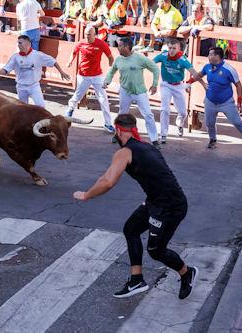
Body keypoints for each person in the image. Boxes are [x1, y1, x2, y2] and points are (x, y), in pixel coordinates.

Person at [73, 113, 198, 300]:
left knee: (156, 251)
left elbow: (107, 181)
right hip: (157, 201)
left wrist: (86, 195)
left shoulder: (124, 152)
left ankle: (186, 273)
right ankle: (136, 280)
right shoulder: (146, 146)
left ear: (117, 130)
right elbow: (158, 177)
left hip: (170, 207)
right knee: (131, 229)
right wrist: (151, 199)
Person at [192, 47, 242, 151]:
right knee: (209, 123)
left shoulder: (229, 69)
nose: (208, 56)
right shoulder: (207, 67)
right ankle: (212, 140)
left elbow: (238, 85)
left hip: (226, 103)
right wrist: (193, 83)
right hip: (210, 101)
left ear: (217, 56)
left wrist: (239, 102)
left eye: (210, 54)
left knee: (237, 123)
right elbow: (198, 76)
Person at [103, 37, 161, 148]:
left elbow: (155, 69)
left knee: (148, 115)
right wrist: (107, 81)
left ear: (126, 47)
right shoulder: (118, 59)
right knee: (121, 114)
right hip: (125, 91)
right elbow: (111, 72)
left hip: (139, 92)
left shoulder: (140, 58)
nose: (117, 48)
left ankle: (154, 140)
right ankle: (117, 134)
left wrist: (154, 85)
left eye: (120, 46)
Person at [0, 35, 70, 107]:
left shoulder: (37, 55)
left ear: (28, 44)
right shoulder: (15, 57)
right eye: (18, 43)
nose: (18, 45)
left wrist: (61, 72)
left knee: (41, 106)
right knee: (23, 108)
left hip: (34, 85)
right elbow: (6, 69)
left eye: (20, 43)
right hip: (21, 86)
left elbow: (53, 61)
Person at [153, 38, 205, 141]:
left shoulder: (182, 59)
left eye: (174, 48)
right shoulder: (163, 55)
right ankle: (163, 134)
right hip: (166, 85)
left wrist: (203, 84)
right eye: (170, 48)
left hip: (178, 86)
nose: (171, 51)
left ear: (179, 48)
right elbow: (151, 63)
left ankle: (180, 124)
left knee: (183, 113)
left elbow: (194, 73)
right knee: (164, 109)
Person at [65, 25, 115, 132]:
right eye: (86, 34)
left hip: (97, 76)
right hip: (83, 75)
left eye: (89, 35)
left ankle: (108, 124)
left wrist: (111, 68)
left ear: (94, 35)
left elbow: (110, 57)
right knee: (78, 95)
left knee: (103, 99)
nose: (87, 37)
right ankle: (70, 110)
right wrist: (70, 61)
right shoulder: (81, 43)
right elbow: (73, 53)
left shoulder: (101, 43)